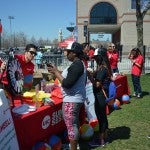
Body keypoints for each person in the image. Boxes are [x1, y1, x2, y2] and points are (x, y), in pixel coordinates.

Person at [47, 42, 87, 150]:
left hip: (72, 100)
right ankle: (74, 145)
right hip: (74, 99)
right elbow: (70, 76)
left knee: (71, 126)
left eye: (68, 51)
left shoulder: (77, 65)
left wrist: (55, 72)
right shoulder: (77, 64)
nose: (66, 53)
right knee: (73, 125)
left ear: (74, 53)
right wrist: (56, 71)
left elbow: (67, 84)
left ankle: (73, 147)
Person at [89, 47, 112, 147]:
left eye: (96, 57)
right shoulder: (103, 67)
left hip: (100, 96)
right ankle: (105, 135)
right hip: (101, 96)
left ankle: (101, 140)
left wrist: (90, 77)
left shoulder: (102, 69)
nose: (94, 59)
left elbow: (97, 84)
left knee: (101, 117)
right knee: (103, 116)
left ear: (100, 57)